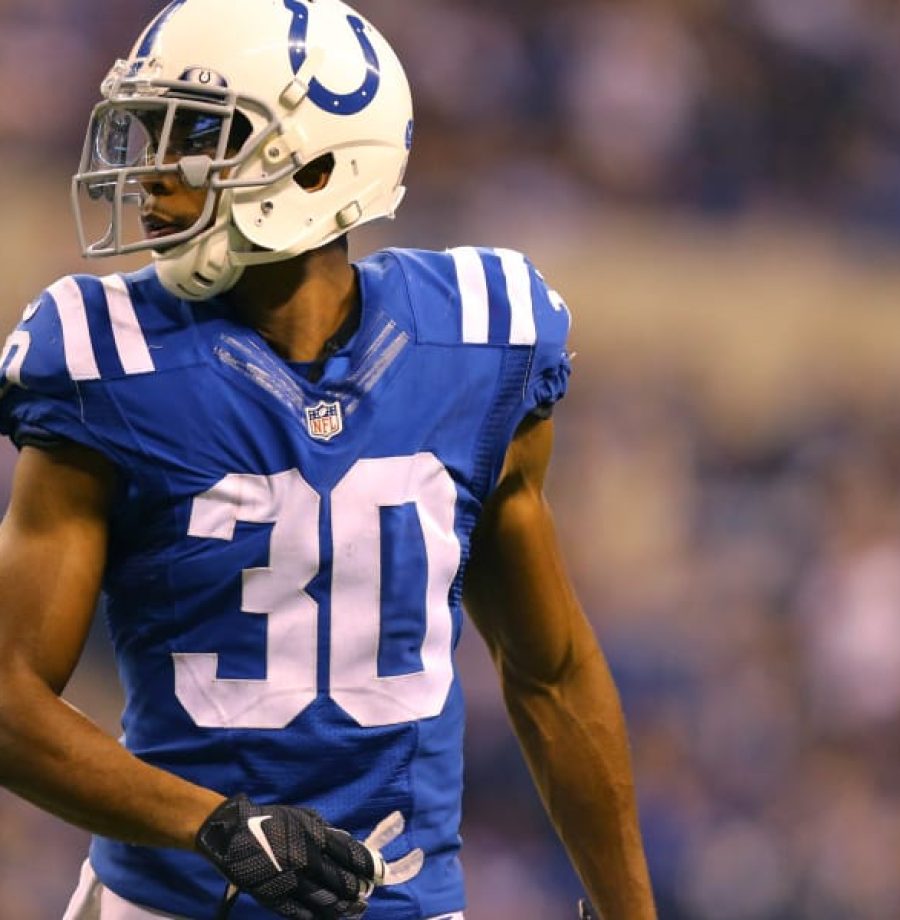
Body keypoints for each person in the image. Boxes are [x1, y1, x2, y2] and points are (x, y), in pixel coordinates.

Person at [0, 1, 656, 918]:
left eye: (195, 133)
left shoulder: (478, 344)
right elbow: (7, 701)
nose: (149, 171)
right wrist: (214, 824)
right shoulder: (110, 361)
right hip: (172, 904)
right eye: (146, 129)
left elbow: (549, 673)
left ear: (314, 163)